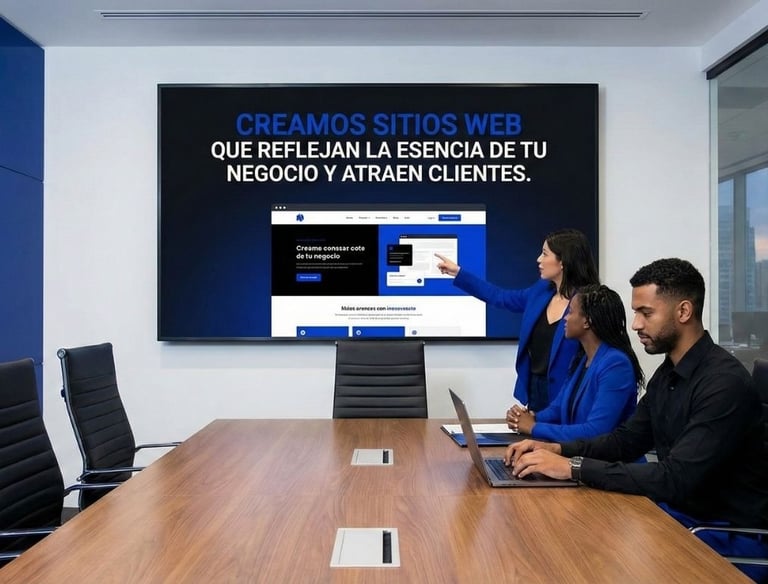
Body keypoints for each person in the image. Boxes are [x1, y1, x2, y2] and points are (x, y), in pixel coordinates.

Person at [504, 258, 768, 582]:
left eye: (646, 313)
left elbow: (676, 478)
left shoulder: (723, 383)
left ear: (683, 312)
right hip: (677, 515)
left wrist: (574, 468)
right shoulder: (669, 373)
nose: (635, 325)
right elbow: (626, 440)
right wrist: (558, 450)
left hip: (722, 535)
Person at [435, 228, 599, 412]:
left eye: (545, 254)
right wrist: (458, 273)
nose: (538, 259)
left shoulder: (588, 303)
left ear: (563, 262)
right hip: (535, 392)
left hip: (569, 396)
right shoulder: (540, 292)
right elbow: (500, 297)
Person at [506, 284, 643, 442]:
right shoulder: (582, 359)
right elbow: (559, 407)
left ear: (587, 321)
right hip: (581, 458)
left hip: (610, 463)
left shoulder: (616, 365)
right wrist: (530, 417)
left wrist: (533, 427)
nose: (565, 318)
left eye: (570, 312)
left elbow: (596, 431)